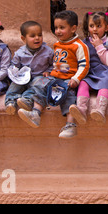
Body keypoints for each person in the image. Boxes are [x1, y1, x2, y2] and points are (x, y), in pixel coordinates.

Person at [18, 10, 90, 139]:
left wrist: (76, 79)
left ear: (73, 28)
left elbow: (84, 65)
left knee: (68, 96)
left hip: (68, 79)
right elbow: (58, 63)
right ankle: (35, 113)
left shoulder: (79, 46)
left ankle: (70, 125)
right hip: (54, 76)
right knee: (40, 84)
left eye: (62, 27)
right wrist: (50, 71)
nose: (57, 31)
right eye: (56, 28)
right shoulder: (57, 44)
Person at [69, 10, 108, 124]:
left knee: (105, 84)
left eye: (98, 26)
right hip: (90, 71)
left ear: (106, 28)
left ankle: (100, 110)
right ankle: (81, 110)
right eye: (91, 26)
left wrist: (100, 46)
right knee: (83, 83)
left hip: (105, 72)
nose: (94, 29)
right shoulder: (83, 43)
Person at [5, 21, 54, 116]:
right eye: (32, 36)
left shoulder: (48, 51)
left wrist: (48, 71)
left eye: (39, 35)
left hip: (39, 77)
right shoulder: (19, 53)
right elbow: (14, 66)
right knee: (14, 85)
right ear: (23, 39)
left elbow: (54, 65)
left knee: (39, 85)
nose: (37, 38)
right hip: (24, 78)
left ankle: (26, 100)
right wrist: (14, 72)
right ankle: (10, 102)